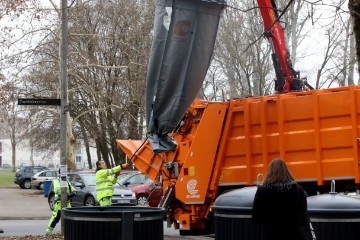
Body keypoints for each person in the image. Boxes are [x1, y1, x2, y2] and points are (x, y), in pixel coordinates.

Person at [252, 158, 315, 240]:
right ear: (286, 170)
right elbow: (303, 214)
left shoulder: (262, 191)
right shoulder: (298, 190)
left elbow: (256, 218)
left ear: (270, 171)